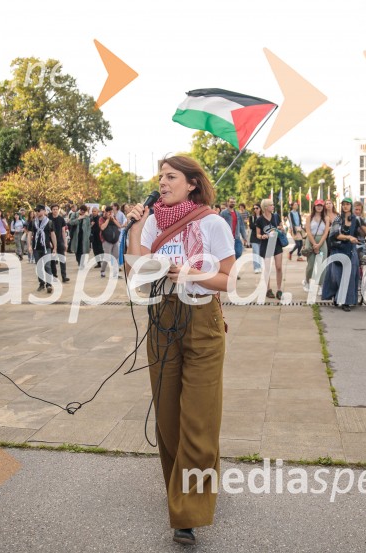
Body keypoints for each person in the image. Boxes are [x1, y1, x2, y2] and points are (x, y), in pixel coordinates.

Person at [125, 155, 234, 547]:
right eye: (160, 177)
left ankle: (188, 512)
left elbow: (228, 279)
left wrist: (189, 273)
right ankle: (186, 484)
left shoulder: (213, 223)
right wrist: (136, 224)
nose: (163, 183)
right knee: (169, 416)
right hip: (162, 318)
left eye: (171, 176)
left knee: (199, 418)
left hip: (203, 320)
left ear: (192, 183)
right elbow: (137, 269)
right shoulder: (153, 221)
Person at [322, 198, 360, 311]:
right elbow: (336, 235)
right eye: (343, 204)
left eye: (348, 204)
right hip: (338, 249)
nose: (345, 206)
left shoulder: (356, 219)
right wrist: (349, 237)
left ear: (351, 206)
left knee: (350, 276)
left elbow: (364, 229)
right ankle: (336, 295)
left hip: (351, 250)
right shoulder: (338, 219)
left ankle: (345, 302)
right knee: (337, 276)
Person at [255, 198, 285, 300]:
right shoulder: (259, 220)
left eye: (273, 205)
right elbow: (257, 235)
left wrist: (281, 228)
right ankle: (268, 289)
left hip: (276, 244)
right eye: (271, 205)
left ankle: (279, 289)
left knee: (279, 267)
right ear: (265, 207)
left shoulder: (276, 216)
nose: (273, 206)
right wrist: (262, 236)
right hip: (266, 245)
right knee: (267, 268)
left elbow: (282, 227)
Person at [27, 204, 57, 293]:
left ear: (44, 211)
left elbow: (53, 235)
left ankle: (49, 284)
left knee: (47, 265)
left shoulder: (49, 222)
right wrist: (29, 246)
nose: (37, 212)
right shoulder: (33, 222)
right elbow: (29, 234)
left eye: (39, 210)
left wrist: (55, 247)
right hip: (36, 247)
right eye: (36, 211)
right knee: (39, 266)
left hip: (46, 247)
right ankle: (41, 283)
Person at [305, 200, 329, 291]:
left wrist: (319, 245)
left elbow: (326, 232)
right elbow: (308, 231)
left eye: (321, 206)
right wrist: (314, 244)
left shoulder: (326, 218)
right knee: (311, 264)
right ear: (314, 206)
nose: (319, 207)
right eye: (317, 205)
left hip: (322, 241)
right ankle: (307, 281)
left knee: (321, 264)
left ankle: (321, 285)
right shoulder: (309, 217)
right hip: (311, 240)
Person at [220, 197, 248, 262]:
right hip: (227, 238)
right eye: (231, 202)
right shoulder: (223, 213)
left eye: (234, 202)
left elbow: (242, 226)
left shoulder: (238, 213)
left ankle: (233, 263)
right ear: (228, 203)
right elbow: (220, 225)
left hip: (236, 237)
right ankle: (232, 265)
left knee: (238, 252)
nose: (233, 203)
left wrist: (244, 237)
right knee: (228, 255)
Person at [98, 205, 122, 278]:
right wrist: (108, 219)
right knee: (107, 257)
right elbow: (102, 227)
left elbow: (119, 226)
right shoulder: (101, 219)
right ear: (105, 212)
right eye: (108, 212)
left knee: (116, 257)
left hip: (115, 240)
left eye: (111, 212)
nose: (110, 213)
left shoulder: (114, 218)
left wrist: (113, 219)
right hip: (106, 240)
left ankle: (116, 273)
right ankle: (102, 271)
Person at [49, 204, 69, 282]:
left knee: (62, 259)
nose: (55, 211)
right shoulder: (48, 219)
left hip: (60, 240)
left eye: (56, 209)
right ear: (51, 210)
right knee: (52, 260)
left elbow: (63, 231)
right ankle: (54, 275)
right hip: (51, 242)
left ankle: (64, 276)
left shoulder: (61, 219)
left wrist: (65, 243)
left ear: (58, 210)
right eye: (53, 209)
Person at [248, 203, 263, 274]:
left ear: (260, 208)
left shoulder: (263, 217)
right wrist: (258, 225)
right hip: (254, 237)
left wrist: (257, 225)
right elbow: (251, 226)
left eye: (257, 208)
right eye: (254, 208)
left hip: (261, 237)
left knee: (260, 253)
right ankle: (256, 267)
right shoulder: (252, 217)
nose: (255, 210)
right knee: (256, 253)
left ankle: (259, 266)